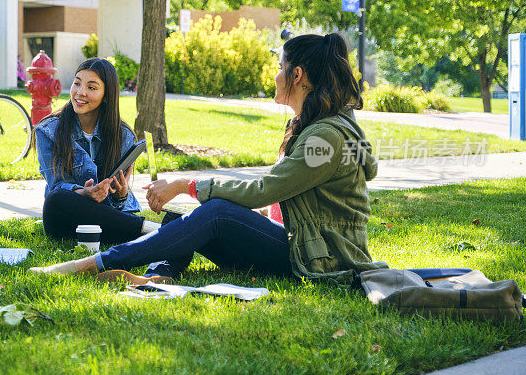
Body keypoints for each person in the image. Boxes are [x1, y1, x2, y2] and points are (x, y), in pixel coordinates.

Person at [30, 33, 388, 284]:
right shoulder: (313, 126)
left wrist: (186, 184)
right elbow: (285, 197)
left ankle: (91, 264)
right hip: (305, 246)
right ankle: (159, 273)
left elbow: (265, 188)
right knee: (191, 220)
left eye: (280, 67)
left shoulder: (325, 136)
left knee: (215, 212)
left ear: (297, 75)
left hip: (321, 259)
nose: (275, 75)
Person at [35, 58, 161, 246]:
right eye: (77, 83)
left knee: (116, 220)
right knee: (56, 199)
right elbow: (56, 185)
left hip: (109, 220)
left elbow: (119, 204)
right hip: (68, 220)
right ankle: (150, 230)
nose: (80, 92)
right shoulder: (48, 130)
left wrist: (121, 195)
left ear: (107, 95)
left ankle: (147, 233)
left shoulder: (123, 135)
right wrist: (84, 193)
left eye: (92, 87)